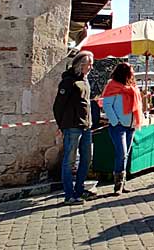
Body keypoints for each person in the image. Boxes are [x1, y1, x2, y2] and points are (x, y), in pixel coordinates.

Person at [53, 50, 95, 204]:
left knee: (86, 158)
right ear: (81, 65)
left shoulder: (85, 80)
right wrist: (61, 125)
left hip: (86, 125)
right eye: (89, 64)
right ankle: (69, 195)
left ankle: (79, 189)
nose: (91, 67)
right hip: (72, 126)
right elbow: (58, 105)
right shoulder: (68, 82)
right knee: (69, 160)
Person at [101, 62, 144, 194]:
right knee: (121, 153)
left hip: (130, 126)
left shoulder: (132, 88)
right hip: (118, 126)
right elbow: (107, 105)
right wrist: (115, 121)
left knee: (125, 155)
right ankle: (117, 185)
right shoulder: (113, 86)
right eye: (130, 72)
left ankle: (122, 183)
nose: (132, 74)